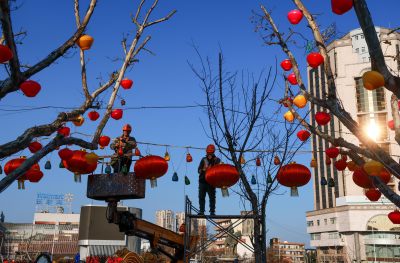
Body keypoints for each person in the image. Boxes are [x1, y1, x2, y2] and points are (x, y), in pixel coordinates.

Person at [197, 144, 220, 216]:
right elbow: (198, 170)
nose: (209, 154)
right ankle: (201, 211)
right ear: (206, 152)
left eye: (211, 153)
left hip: (211, 181)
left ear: (213, 153)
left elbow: (219, 169)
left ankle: (212, 211)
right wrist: (203, 169)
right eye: (208, 153)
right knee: (201, 196)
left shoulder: (217, 160)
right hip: (202, 181)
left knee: (212, 197)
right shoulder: (203, 160)